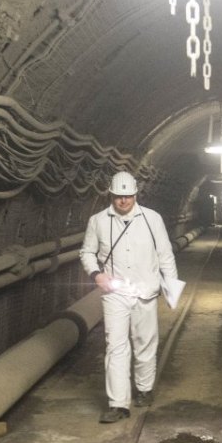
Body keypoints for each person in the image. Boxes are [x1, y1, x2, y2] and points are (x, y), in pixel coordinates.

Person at [80, 171, 178, 423]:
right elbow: (87, 252)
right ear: (111, 195)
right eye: (118, 197)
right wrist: (96, 274)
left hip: (145, 290)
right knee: (116, 346)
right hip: (115, 293)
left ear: (135, 195)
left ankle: (144, 389)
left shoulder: (152, 219)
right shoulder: (98, 221)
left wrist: (171, 290)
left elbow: (165, 255)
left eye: (128, 196)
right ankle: (118, 403)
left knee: (145, 342)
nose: (123, 201)